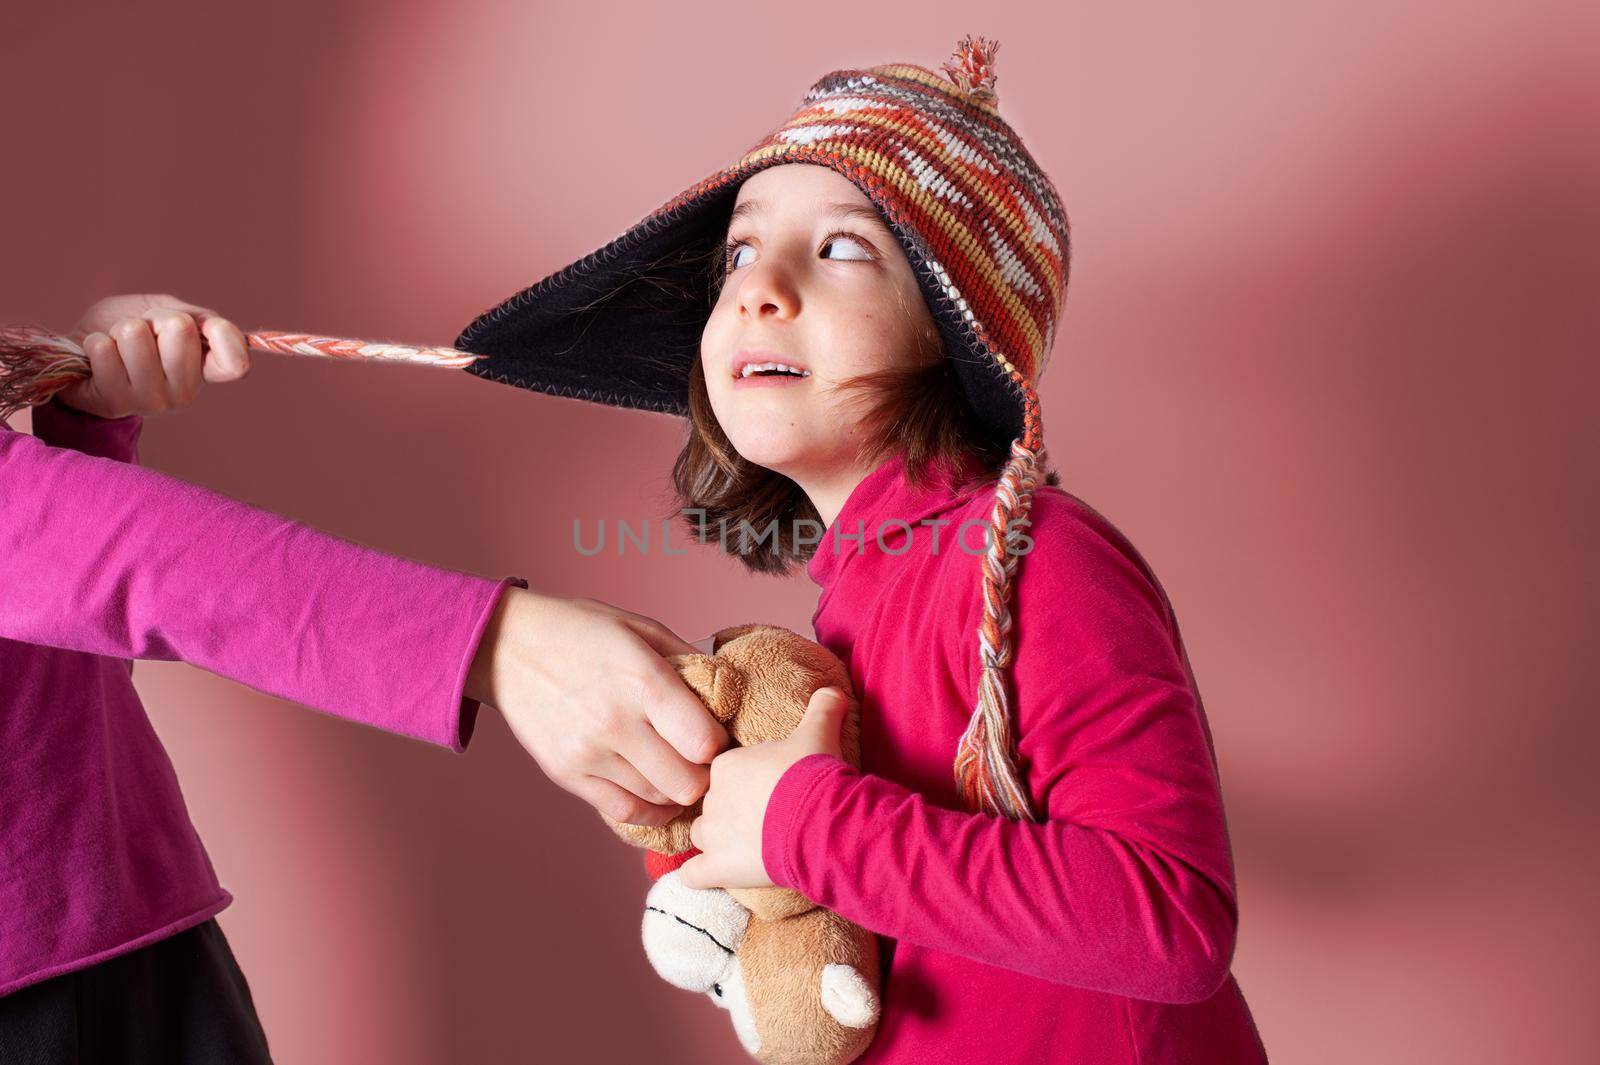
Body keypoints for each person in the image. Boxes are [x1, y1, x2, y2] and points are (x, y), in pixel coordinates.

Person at [447, 40, 1270, 1062]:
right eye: (738, 254)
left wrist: (804, 825)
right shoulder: (850, 609)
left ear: (947, 335)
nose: (759, 287)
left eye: (841, 249)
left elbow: (1173, 925)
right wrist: (718, 843)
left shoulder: (1037, 561)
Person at [0, 294, 728, 1062]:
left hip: (147, 942)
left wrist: (85, 429)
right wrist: (498, 646)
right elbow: (102, 555)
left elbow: (49, 604)